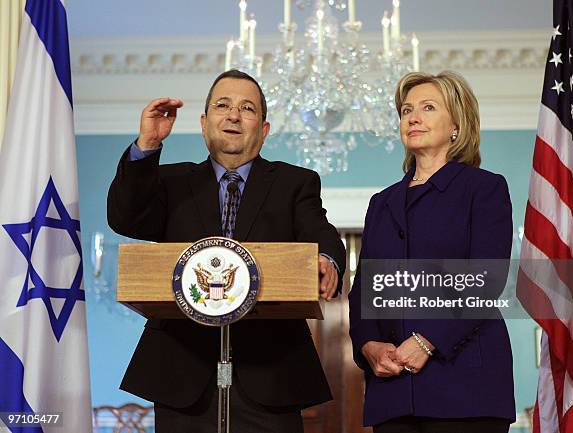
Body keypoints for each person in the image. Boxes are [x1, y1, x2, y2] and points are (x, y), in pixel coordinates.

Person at [107, 69, 346, 433]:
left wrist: (328, 260)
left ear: (263, 130)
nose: (233, 115)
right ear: (204, 123)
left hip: (272, 376)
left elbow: (321, 232)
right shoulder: (171, 182)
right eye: (223, 105)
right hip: (182, 378)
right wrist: (148, 145)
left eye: (247, 108)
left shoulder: (294, 183)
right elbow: (125, 218)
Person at [348, 71, 515, 433]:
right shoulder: (382, 202)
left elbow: (486, 280)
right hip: (393, 393)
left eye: (427, 107)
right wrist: (368, 345)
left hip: (468, 388)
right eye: (406, 110)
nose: (413, 117)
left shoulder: (484, 189)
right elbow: (364, 289)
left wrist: (427, 340)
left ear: (457, 123)